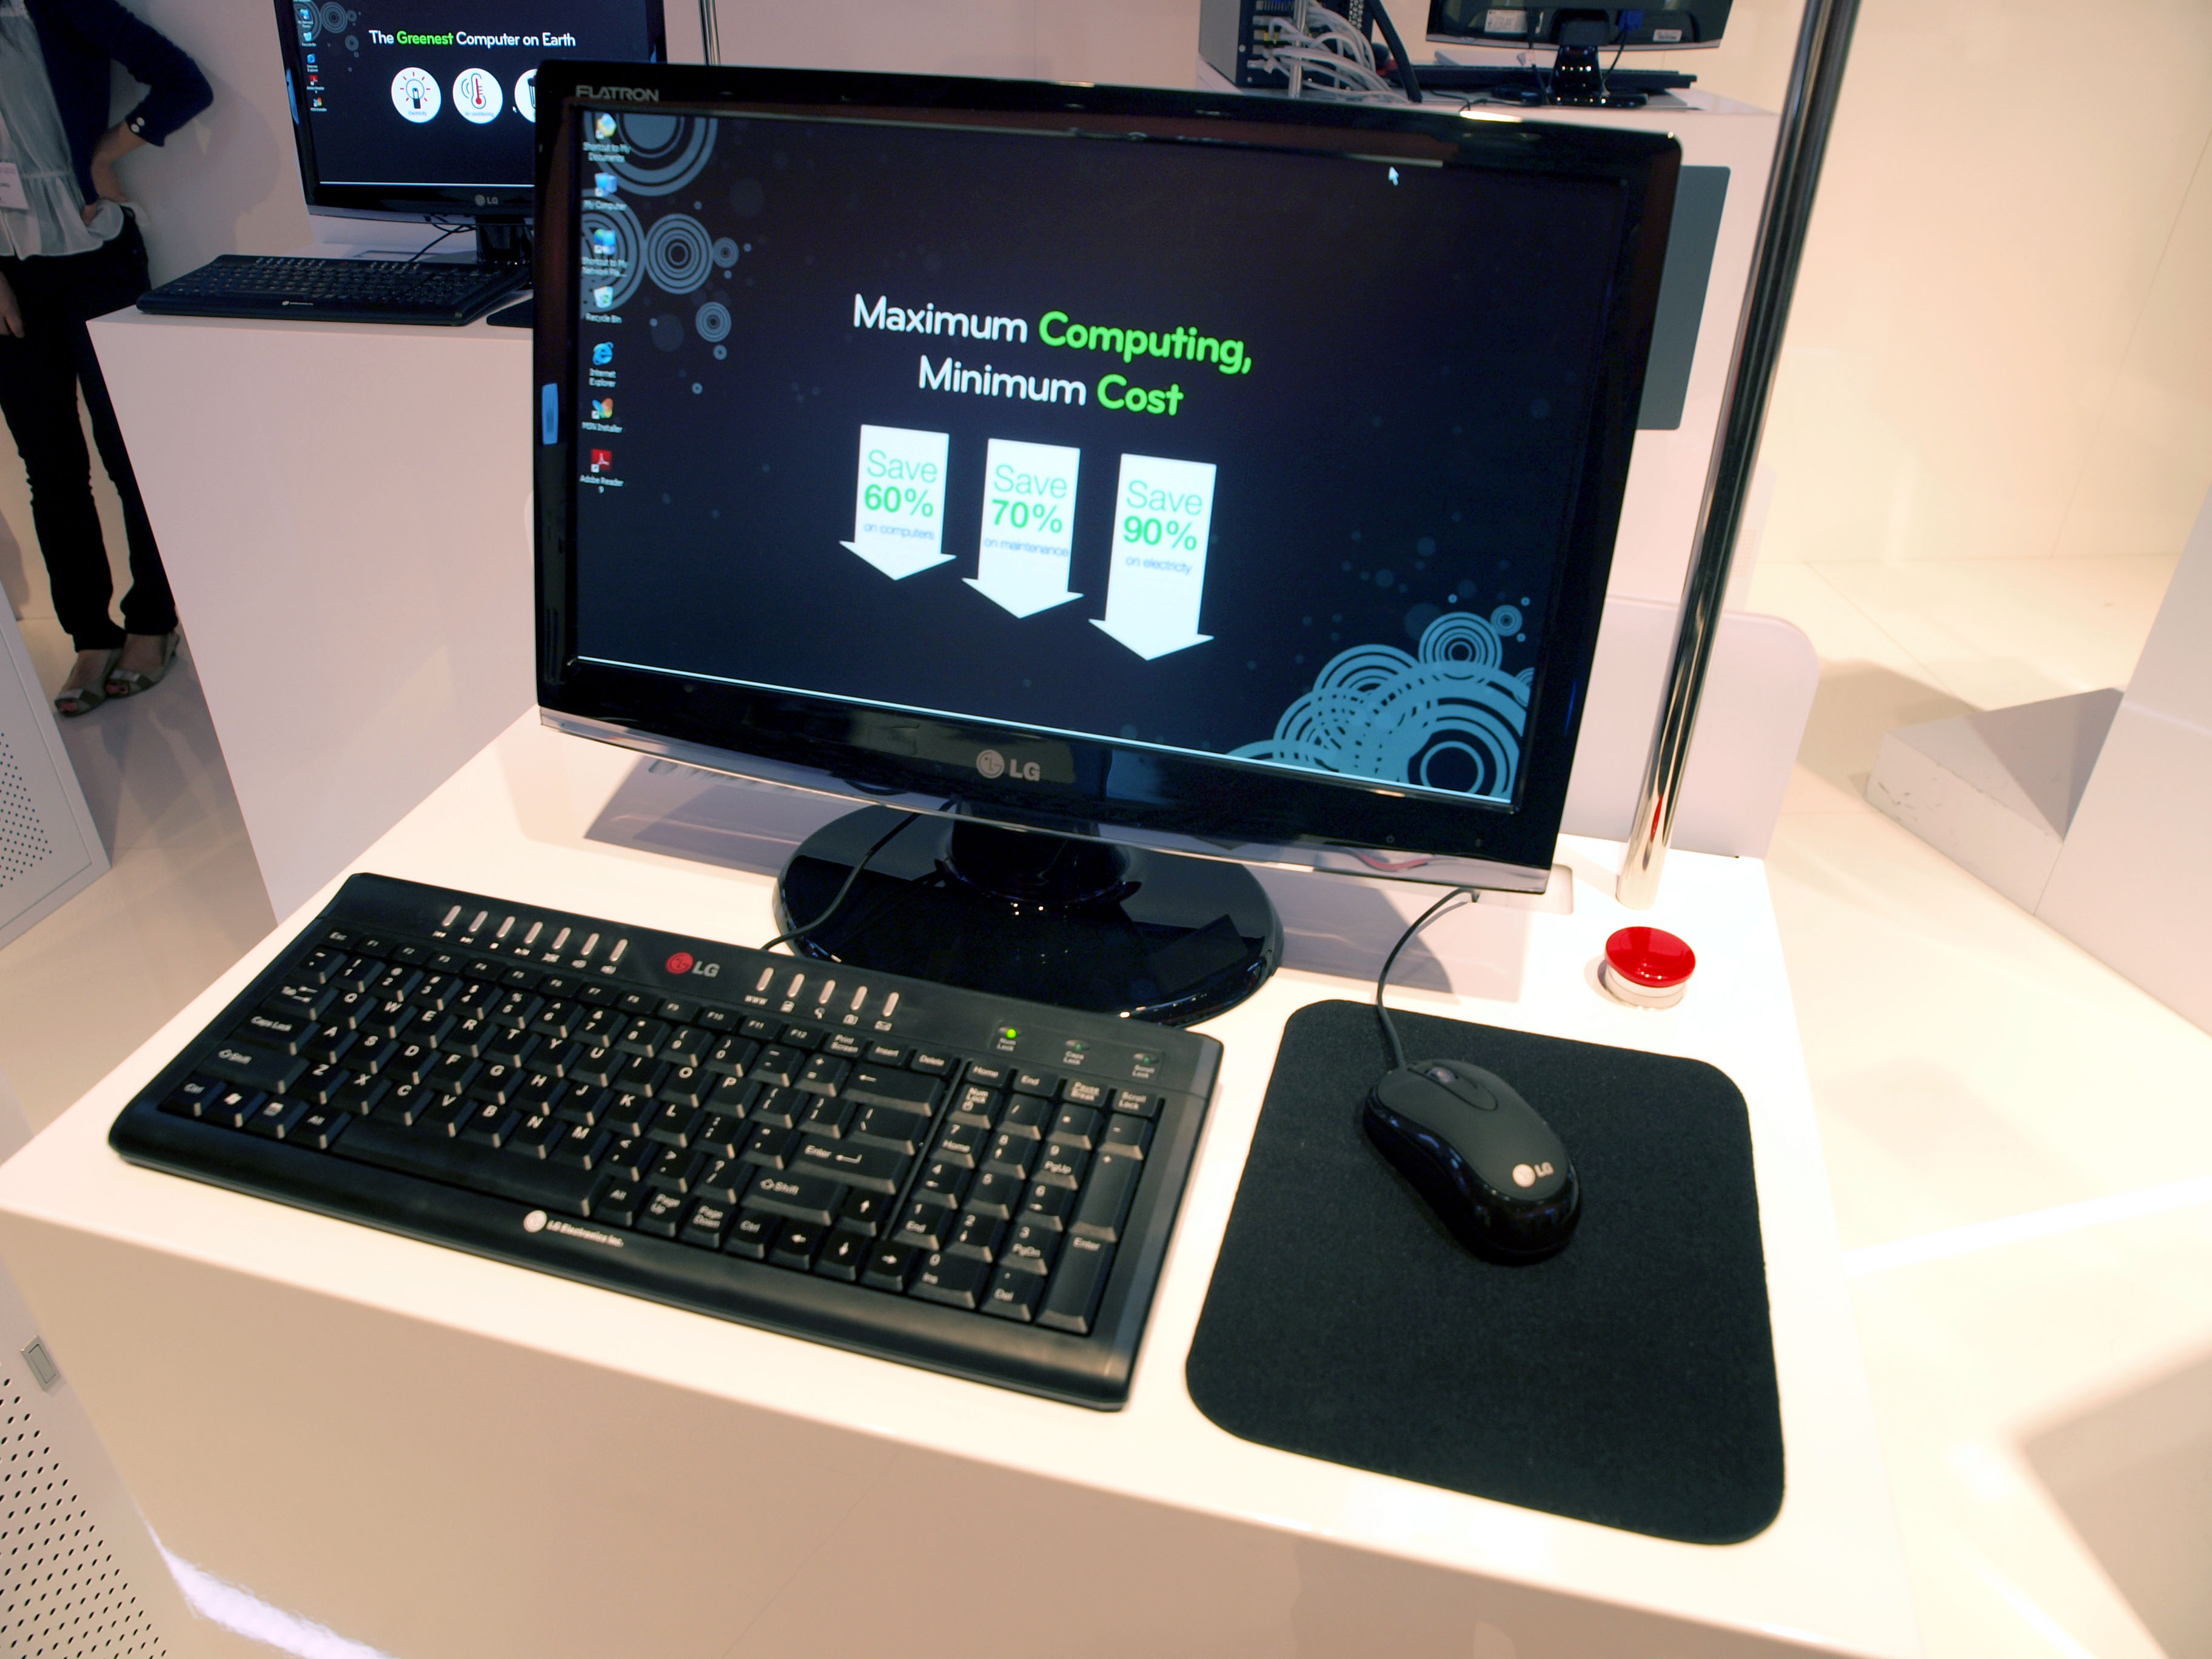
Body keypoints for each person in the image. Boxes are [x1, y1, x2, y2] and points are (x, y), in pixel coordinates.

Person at [0, 0, 209, 715]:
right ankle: (89, 635)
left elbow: (183, 82)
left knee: (130, 454)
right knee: (50, 466)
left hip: (95, 257)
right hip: (7, 275)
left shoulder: (56, 4)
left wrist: (106, 152)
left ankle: (154, 621)